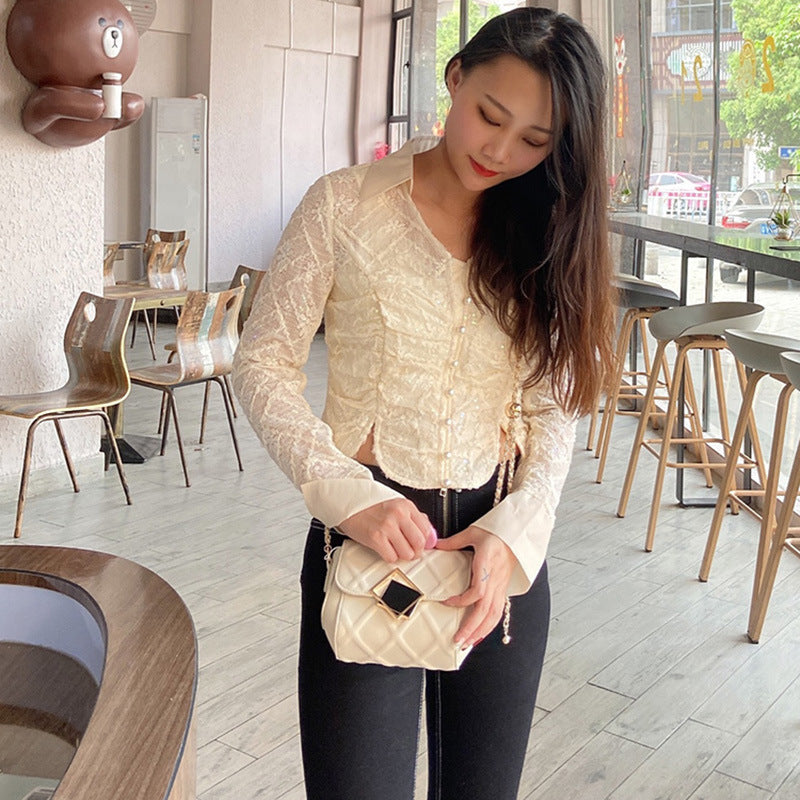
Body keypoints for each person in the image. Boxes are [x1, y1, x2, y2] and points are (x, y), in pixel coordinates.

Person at [232, 7, 616, 800]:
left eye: (535, 141)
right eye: (489, 116)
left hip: (498, 557)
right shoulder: (344, 205)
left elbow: (552, 408)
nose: (499, 151)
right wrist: (348, 498)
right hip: (371, 543)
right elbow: (262, 363)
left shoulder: (544, 228)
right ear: (454, 78)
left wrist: (515, 535)